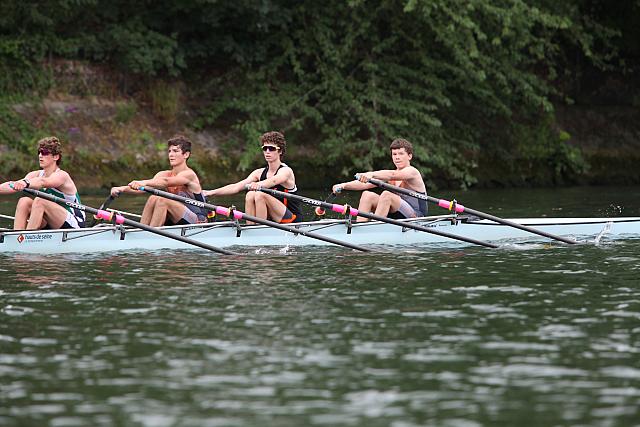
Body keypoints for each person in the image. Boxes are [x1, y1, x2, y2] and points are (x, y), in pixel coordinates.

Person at [203, 131, 303, 224]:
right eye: (265, 148)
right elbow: (236, 187)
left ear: (280, 151)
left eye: (271, 149)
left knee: (259, 195)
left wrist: (258, 184)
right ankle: (251, 228)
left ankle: (260, 230)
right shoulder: (258, 173)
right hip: (273, 220)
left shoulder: (286, 171)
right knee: (250, 194)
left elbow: (274, 180)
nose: (267, 152)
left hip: (292, 220)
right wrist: (210, 192)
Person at [110, 135, 208, 227]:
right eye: (169, 151)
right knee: (153, 198)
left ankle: (151, 235)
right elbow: (142, 189)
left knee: (162, 200)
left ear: (186, 154)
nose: (171, 155)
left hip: (198, 221)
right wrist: (120, 189)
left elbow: (166, 182)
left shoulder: (189, 174)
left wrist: (143, 182)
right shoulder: (164, 174)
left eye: (175, 151)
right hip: (177, 216)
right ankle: (142, 230)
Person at [0, 136, 86, 230]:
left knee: (40, 201)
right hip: (51, 222)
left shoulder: (62, 175)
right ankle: (17, 237)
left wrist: (25, 183)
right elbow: (13, 184)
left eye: (45, 153)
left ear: (56, 157)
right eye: (39, 152)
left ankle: (27, 239)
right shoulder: (34, 174)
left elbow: (43, 182)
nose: (40, 155)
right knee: (24, 201)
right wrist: (18, 184)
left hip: (74, 224)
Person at [332, 138, 427, 222]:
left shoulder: (412, 172)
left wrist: (371, 174)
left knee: (386, 195)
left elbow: (392, 175)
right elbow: (364, 184)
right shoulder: (389, 175)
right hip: (397, 213)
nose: (397, 157)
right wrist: (343, 185)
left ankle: (374, 229)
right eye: (394, 154)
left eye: (401, 154)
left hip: (416, 217)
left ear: (409, 156)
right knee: (367, 195)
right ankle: (360, 227)